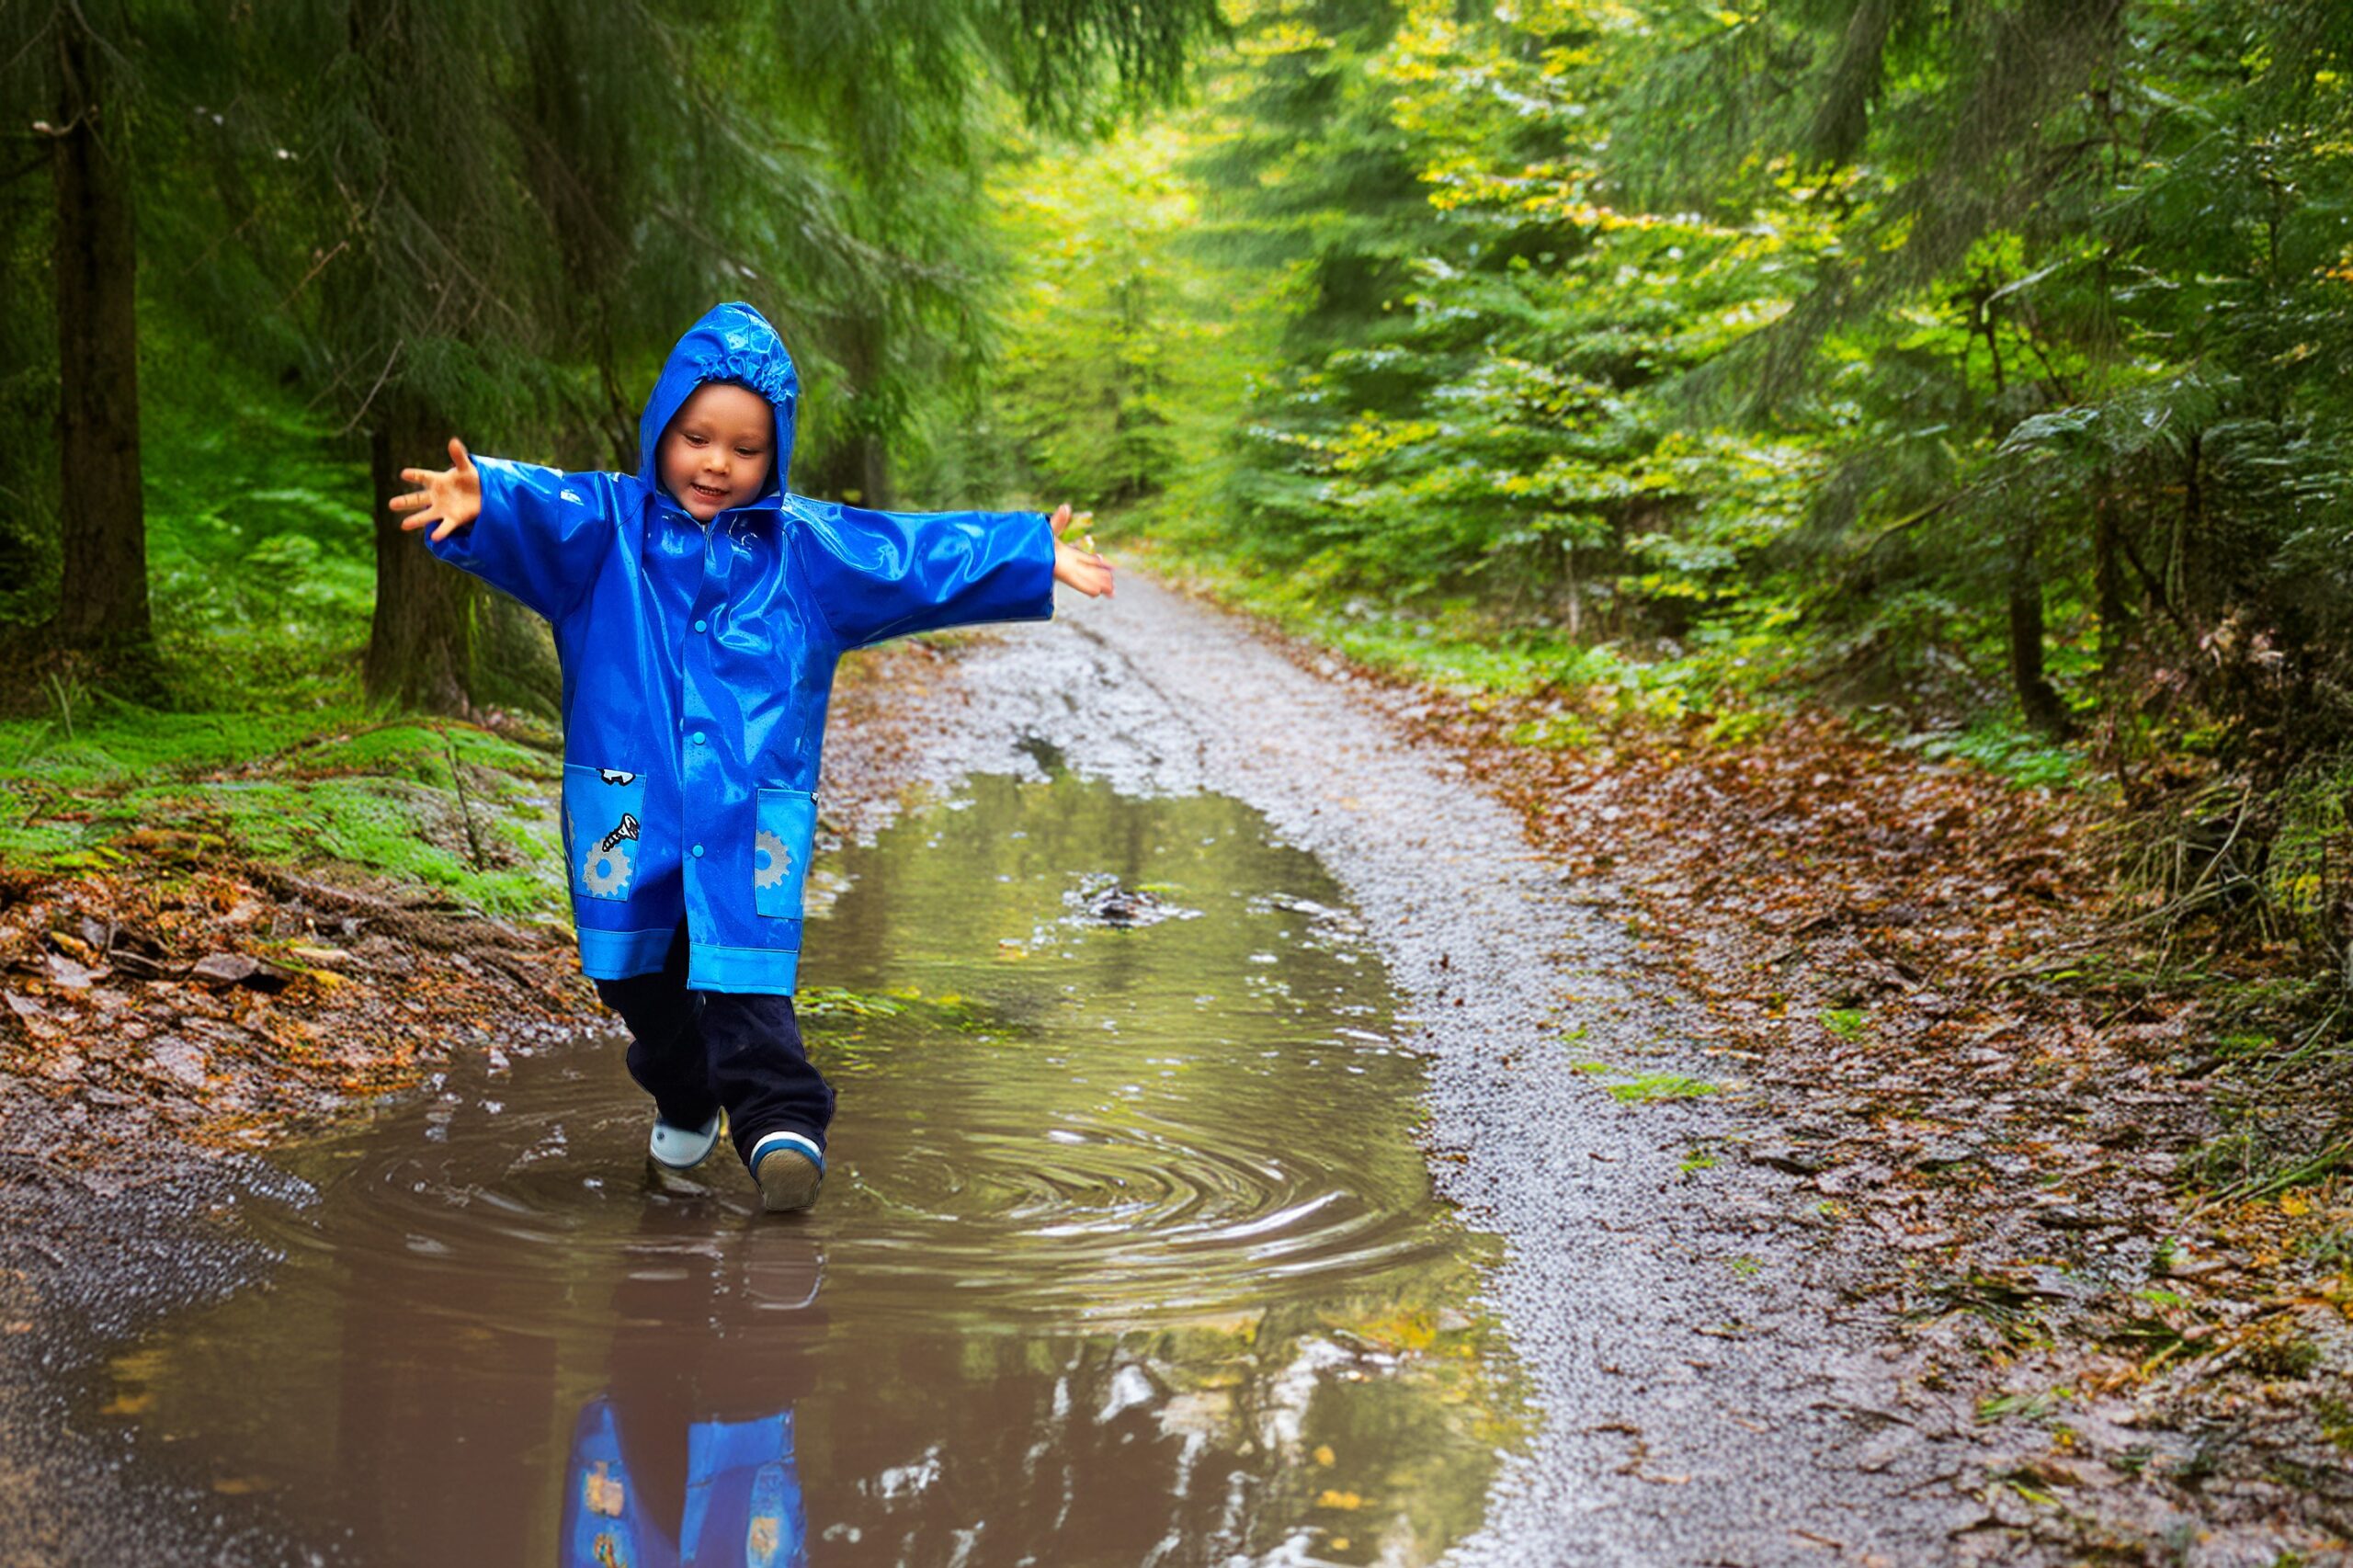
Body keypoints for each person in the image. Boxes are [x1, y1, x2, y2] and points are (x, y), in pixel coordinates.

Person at [391, 301, 1112, 1212]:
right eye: (697, 437)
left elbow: (911, 555)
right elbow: (543, 505)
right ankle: (688, 1091)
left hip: (747, 819)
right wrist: (483, 498)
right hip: (628, 809)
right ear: (662, 427)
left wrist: (1029, 552)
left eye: (744, 449)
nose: (715, 464)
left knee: (742, 978)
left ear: (774, 458)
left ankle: (784, 1124)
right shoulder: (604, 533)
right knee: (630, 974)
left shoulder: (804, 552)